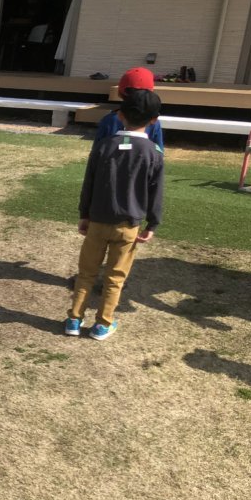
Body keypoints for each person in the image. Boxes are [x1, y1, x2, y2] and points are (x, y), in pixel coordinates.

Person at [66, 89, 164, 341]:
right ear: (154, 120)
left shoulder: (104, 146)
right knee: (115, 277)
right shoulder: (153, 152)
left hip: (98, 221)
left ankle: (74, 319)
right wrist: (152, 223)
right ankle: (103, 324)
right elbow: (156, 191)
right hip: (128, 225)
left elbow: (89, 183)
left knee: (86, 273)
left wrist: (84, 214)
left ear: (120, 115)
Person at [93, 67, 164, 151]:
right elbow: (159, 152)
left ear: (120, 92)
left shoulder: (109, 120)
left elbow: (97, 151)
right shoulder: (153, 122)